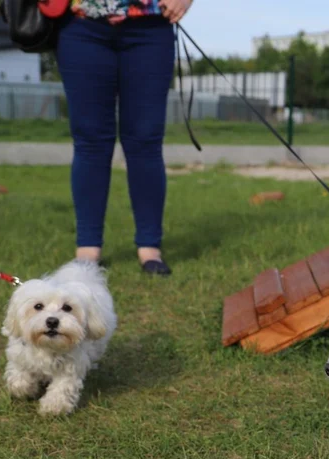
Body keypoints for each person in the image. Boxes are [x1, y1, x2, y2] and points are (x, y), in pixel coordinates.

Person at [56, 0, 194, 275]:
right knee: (90, 140)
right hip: (81, 26)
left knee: (145, 140)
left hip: (151, 27)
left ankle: (149, 247)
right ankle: (87, 250)